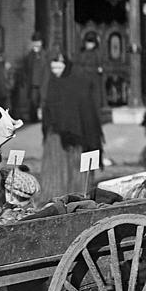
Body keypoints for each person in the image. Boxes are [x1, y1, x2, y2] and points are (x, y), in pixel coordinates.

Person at [40, 53, 103, 200]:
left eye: (59, 67)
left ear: (66, 66)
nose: (56, 70)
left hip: (77, 137)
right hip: (56, 137)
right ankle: (56, 200)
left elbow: (87, 113)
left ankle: (78, 198)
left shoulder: (78, 83)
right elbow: (48, 109)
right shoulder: (52, 83)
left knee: (76, 173)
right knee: (56, 174)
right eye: (53, 67)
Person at [16, 32, 49, 123]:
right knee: (33, 102)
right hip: (33, 84)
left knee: (43, 101)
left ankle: (44, 118)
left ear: (41, 43)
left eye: (38, 42)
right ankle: (34, 119)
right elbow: (26, 70)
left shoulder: (46, 55)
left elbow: (47, 71)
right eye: (34, 42)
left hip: (43, 83)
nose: (36, 44)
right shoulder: (29, 56)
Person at [74, 31, 106, 109]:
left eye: (91, 43)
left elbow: (101, 64)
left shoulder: (97, 53)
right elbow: (78, 64)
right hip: (84, 77)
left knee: (95, 97)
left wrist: (100, 68)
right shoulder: (82, 53)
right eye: (88, 43)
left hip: (95, 77)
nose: (89, 45)